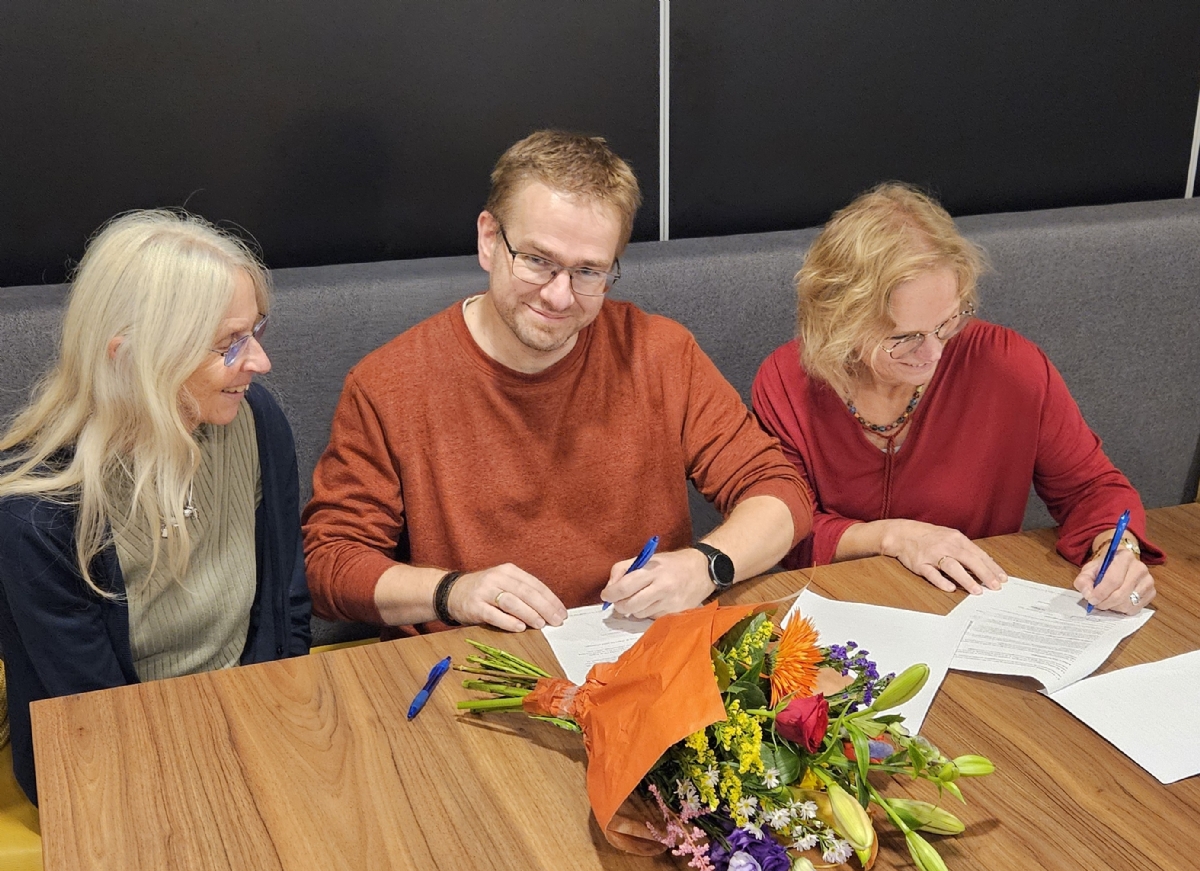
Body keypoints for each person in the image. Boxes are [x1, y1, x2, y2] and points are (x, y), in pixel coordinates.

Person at [302, 130, 812, 636]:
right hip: (474, 660)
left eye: (588, 271)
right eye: (538, 261)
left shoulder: (660, 353)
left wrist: (705, 565)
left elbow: (780, 491)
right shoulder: (389, 383)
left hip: (639, 649)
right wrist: (452, 592)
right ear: (489, 239)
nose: (559, 297)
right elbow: (329, 565)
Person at [0, 210, 311, 803]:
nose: (259, 362)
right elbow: (94, 712)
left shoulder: (256, 420)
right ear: (129, 358)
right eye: (228, 344)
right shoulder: (37, 514)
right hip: (112, 763)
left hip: (247, 718)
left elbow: (287, 600)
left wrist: (279, 721)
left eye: (254, 332)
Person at [752, 183, 1160, 615]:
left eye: (948, 323)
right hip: (835, 611)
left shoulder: (1009, 366)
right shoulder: (788, 382)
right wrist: (894, 537)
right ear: (841, 321)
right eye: (905, 337)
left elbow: (1092, 489)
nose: (933, 353)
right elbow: (782, 533)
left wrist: (1118, 551)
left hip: (971, 610)